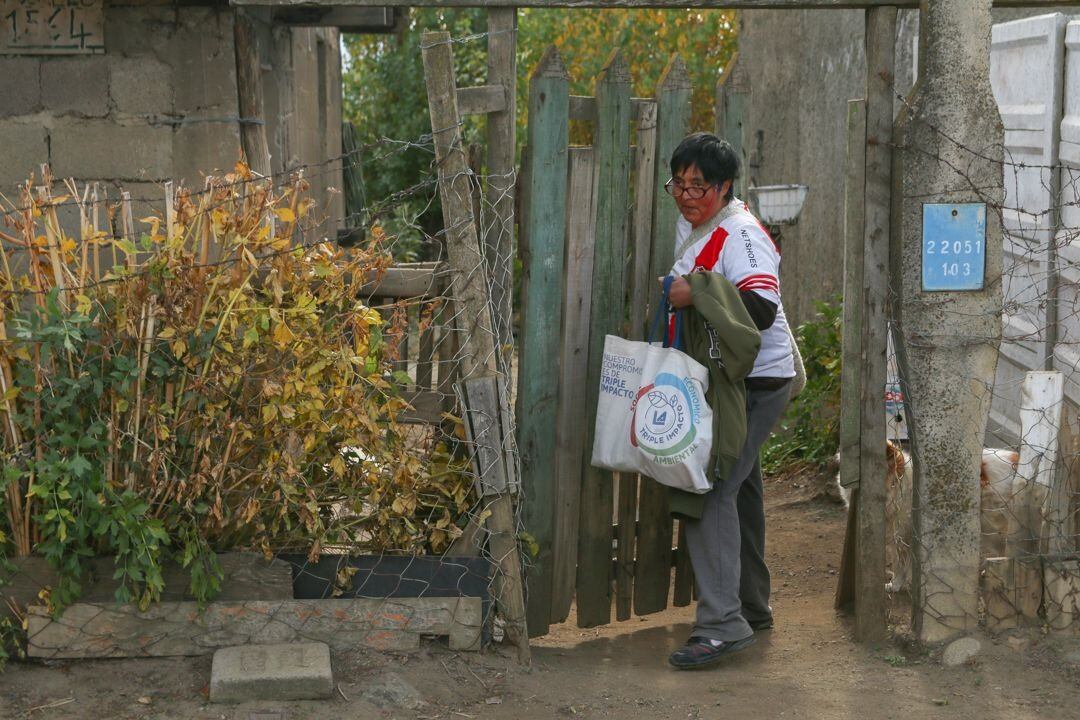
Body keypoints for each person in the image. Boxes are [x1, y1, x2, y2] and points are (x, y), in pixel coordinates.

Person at [662, 132, 796, 670]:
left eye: (700, 185)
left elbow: (761, 307)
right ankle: (749, 607)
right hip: (732, 381)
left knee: (712, 489)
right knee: (739, 491)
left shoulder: (740, 233)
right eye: (680, 183)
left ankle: (721, 626)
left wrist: (696, 292)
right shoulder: (701, 225)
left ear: (724, 187)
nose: (688, 194)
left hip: (755, 383)